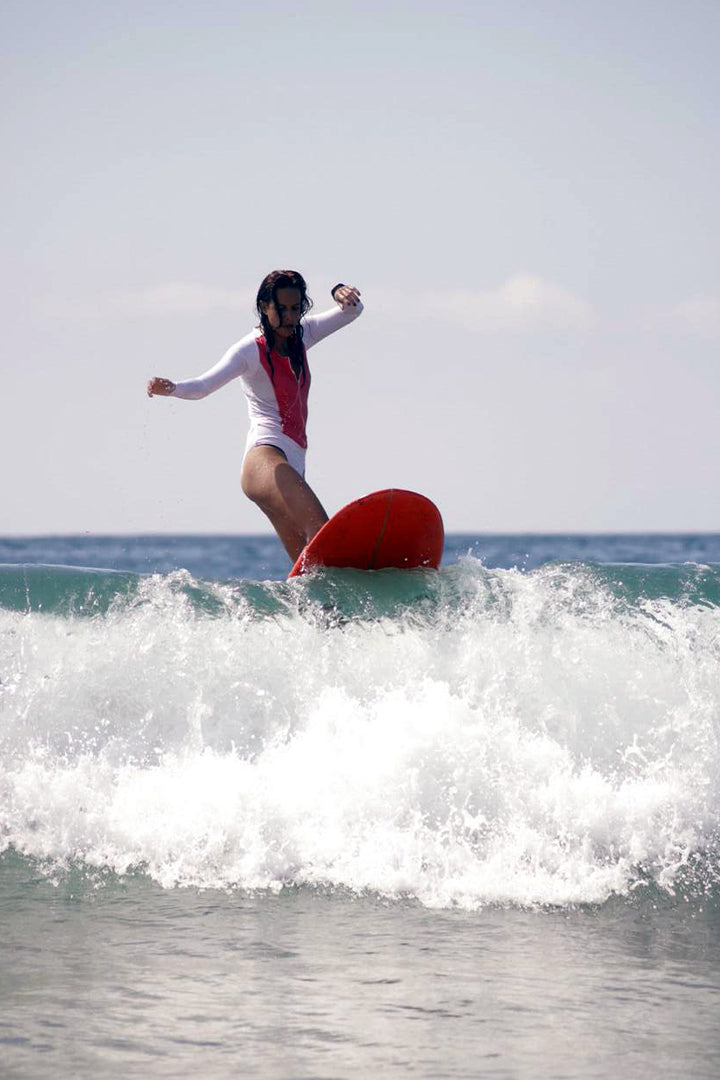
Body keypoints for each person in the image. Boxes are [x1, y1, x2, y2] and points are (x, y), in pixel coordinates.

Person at [147, 270, 363, 561]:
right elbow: (202, 387)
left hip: (294, 460)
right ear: (264, 307)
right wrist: (172, 388)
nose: (290, 316)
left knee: (311, 567)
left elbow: (353, 311)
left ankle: (312, 608)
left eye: (296, 308)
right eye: (281, 309)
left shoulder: (304, 335)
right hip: (265, 461)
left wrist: (339, 290)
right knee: (322, 532)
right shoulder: (249, 350)